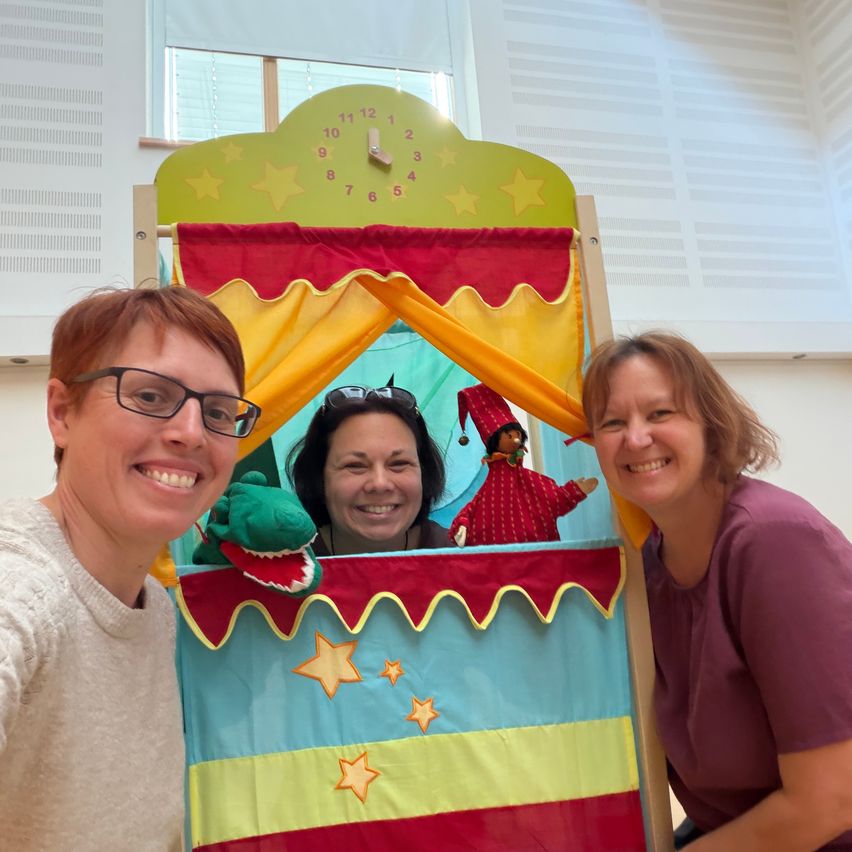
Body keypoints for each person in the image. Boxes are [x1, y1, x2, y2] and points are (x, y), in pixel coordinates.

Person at [0, 286, 259, 851]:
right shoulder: (24, 588)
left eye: (217, 412)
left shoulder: (152, 604)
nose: (191, 432)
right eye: (149, 395)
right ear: (62, 413)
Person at [582, 331, 852, 851]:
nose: (635, 439)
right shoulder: (648, 561)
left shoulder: (773, 541)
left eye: (660, 413)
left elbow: (832, 802)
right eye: (613, 422)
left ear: (711, 422)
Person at [287, 384, 447, 555]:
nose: (380, 484)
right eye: (355, 465)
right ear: (319, 478)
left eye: (399, 463)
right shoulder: (275, 565)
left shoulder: (467, 557)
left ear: (423, 473)